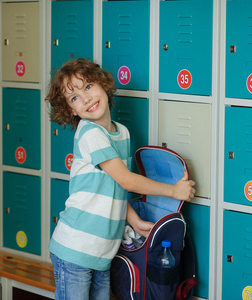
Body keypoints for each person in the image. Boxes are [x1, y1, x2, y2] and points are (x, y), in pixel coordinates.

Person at [46, 58, 195, 300]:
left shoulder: (121, 132)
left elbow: (115, 185)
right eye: (74, 98)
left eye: (88, 87)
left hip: (103, 253)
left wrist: (133, 220)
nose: (85, 98)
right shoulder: (89, 133)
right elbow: (127, 180)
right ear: (72, 110)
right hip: (75, 249)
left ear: (103, 86)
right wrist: (173, 191)